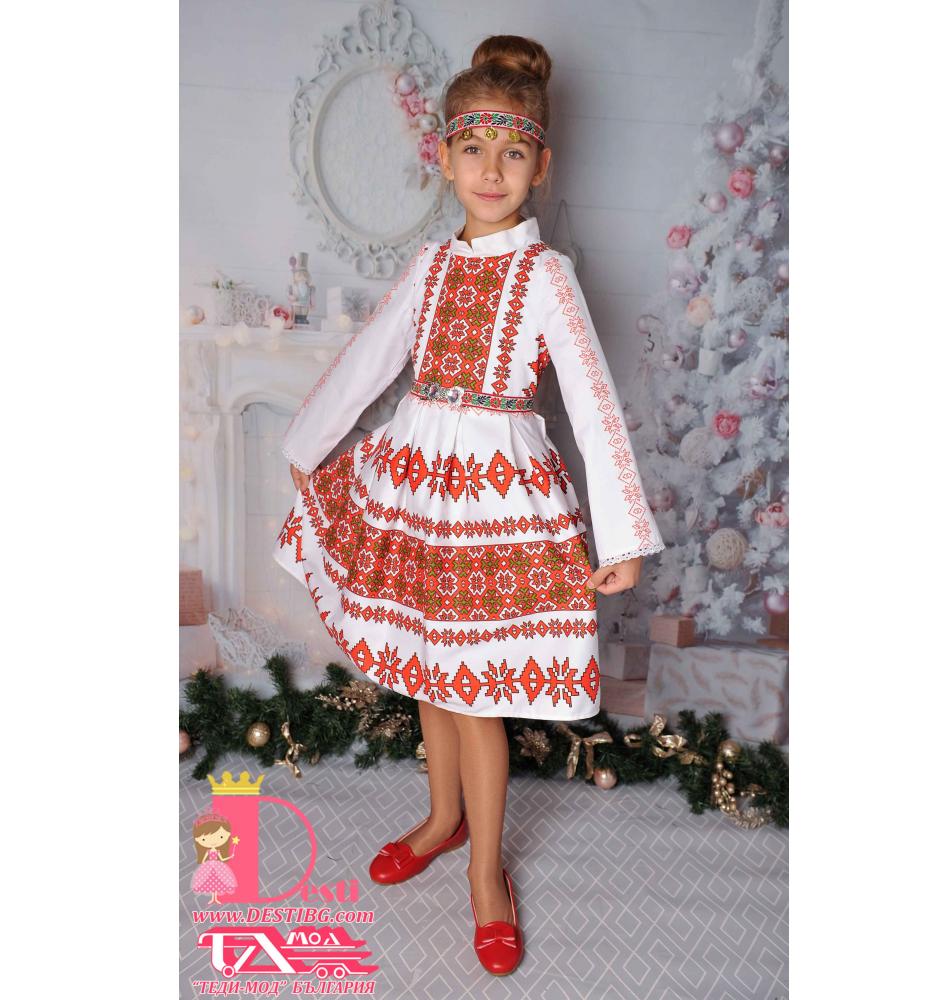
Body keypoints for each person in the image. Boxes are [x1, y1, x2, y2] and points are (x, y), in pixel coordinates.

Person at [273, 34, 664, 976]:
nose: (492, 170)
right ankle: (443, 818)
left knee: (474, 692)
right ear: (443, 158)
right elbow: (370, 358)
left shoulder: (547, 277)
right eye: (475, 149)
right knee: (429, 670)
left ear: (541, 166)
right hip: (417, 484)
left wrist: (622, 534)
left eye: (513, 152)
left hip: (497, 496)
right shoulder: (431, 266)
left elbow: (594, 401)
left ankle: (488, 873)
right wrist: (307, 446)